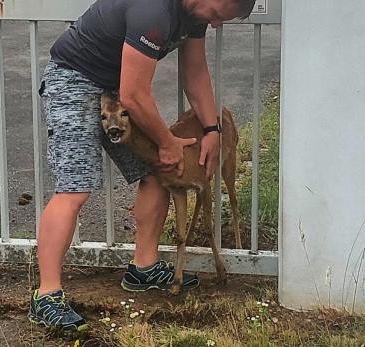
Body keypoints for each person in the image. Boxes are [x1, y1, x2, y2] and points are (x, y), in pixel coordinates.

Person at [27, 0, 256, 333]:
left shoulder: (193, 14)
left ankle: (143, 268)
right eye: (220, 14)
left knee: (157, 173)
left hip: (115, 88)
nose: (217, 23)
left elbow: (194, 72)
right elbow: (134, 94)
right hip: (74, 81)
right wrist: (167, 142)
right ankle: (46, 296)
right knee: (75, 188)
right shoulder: (154, 10)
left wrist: (211, 130)